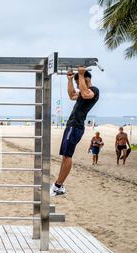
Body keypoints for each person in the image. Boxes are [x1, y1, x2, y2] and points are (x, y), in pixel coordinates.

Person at [51, 67, 100, 196]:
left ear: (86, 79)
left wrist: (81, 75)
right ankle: (57, 185)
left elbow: (85, 94)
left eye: (79, 83)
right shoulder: (82, 92)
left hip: (76, 126)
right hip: (71, 125)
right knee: (65, 156)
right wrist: (70, 80)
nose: (78, 86)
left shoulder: (94, 90)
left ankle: (58, 186)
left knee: (68, 156)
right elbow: (72, 95)